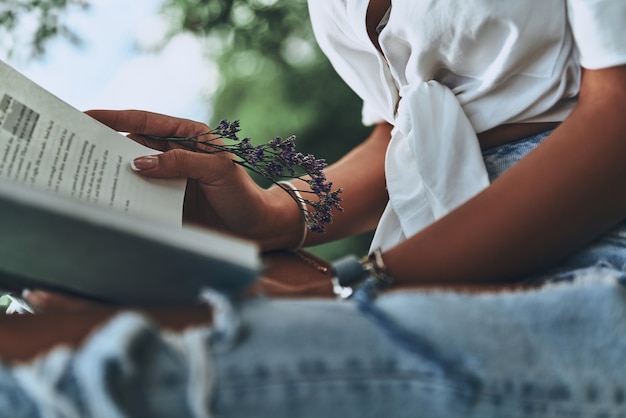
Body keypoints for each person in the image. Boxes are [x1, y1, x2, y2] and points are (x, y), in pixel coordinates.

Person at [2, 0, 626, 416]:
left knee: (97, 373)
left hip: (587, 237)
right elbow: (400, 130)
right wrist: (274, 213)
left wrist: (365, 289)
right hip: (432, 234)